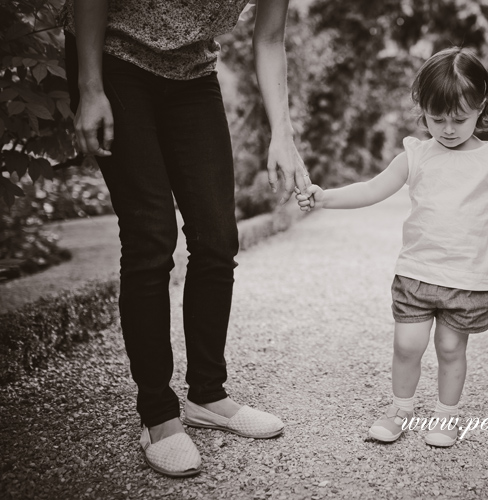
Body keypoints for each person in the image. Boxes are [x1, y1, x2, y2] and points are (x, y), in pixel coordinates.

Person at [62, 0, 308, 477]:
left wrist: (283, 132)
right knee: (151, 238)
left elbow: (270, 37)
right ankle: (158, 415)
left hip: (192, 74)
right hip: (115, 60)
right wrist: (89, 86)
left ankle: (208, 396)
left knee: (217, 239)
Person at [296, 47, 488, 448]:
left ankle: (446, 416)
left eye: (459, 119)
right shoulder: (417, 154)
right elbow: (372, 189)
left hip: (467, 277)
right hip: (416, 272)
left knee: (449, 347)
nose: (447, 129)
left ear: (481, 108)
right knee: (407, 345)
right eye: (436, 118)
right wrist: (325, 197)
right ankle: (401, 410)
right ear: (421, 109)